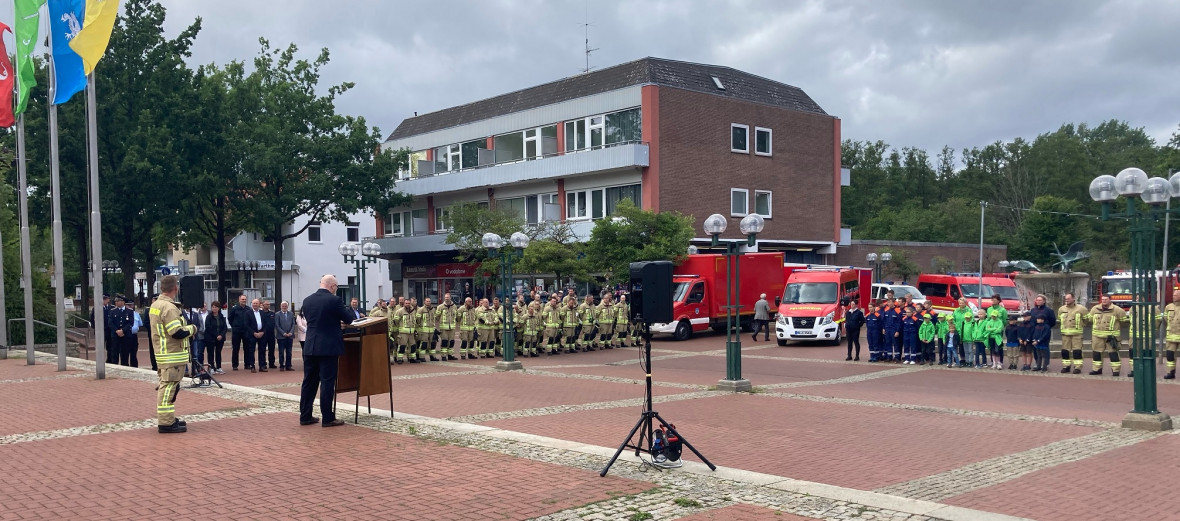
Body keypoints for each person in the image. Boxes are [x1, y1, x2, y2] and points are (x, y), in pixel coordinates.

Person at [298, 275, 353, 428]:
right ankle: (328, 418)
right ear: (333, 286)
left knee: (309, 381)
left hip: (310, 345)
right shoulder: (334, 300)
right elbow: (348, 318)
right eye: (336, 287)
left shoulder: (307, 300)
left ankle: (305, 416)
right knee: (327, 381)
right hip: (328, 347)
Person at [149, 275, 196, 434]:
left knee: (168, 387)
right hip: (172, 356)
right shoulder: (169, 308)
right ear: (175, 288)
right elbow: (176, 332)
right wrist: (192, 329)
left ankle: (168, 418)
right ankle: (166, 423)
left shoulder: (156, 304)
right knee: (168, 389)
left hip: (163, 355)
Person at [1089, 295, 1127, 376]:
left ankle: (1115, 371)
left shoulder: (1117, 310)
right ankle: (1097, 369)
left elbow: (1123, 321)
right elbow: (1090, 319)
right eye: (1102, 299)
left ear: (1110, 300)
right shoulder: (1095, 309)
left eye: (1106, 299)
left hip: (1111, 337)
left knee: (1113, 354)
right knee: (1097, 354)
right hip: (1097, 336)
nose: (1104, 301)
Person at [1057, 293, 1087, 374]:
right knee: (1065, 351)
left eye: (1068, 298)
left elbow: (1086, 319)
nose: (1067, 300)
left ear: (1073, 299)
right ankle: (1066, 366)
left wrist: (1080, 326)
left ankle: (1077, 367)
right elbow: (1060, 319)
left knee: (1077, 351)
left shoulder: (1081, 309)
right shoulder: (1061, 309)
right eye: (1066, 299)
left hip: (1077, 334)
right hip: (1065, 334)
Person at [203, 301, 228, 374]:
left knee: (218, 352)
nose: (214, 308)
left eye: (216, 307)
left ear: (218, 308)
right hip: (210, 338)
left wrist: (221, 335)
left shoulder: (221, 316)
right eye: (213, 307)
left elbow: (224, 327)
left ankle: (219, 367)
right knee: (210, 353)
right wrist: (216, 335)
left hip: (220, 338)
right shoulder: (209, 317)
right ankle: (211, 367)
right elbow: (208, 327)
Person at [228, 295, 250, 370]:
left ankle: (247, 364)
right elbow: (230, 318)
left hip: (246, 331)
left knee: (247, 348)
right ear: (239, 300)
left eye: (245, 299)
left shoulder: (248, 309)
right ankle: (235, 365)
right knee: (235, 348)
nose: (244, 300)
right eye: (242, 299)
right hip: (236, 331)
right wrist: (234, 326)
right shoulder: (234, 309)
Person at [435, 293, 459, 360]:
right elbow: (436, 317)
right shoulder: (440, 307)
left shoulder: (454, 306)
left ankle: (450, 355)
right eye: (445, 297)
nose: (446, 298)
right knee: (444, 342)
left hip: (452, 328)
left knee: (451, 342)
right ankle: (443, 356)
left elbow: (457, 316)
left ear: (450, 298)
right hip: (443, 328)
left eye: (448, 297)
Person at [415, 297, 439, 362]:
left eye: (429, 301)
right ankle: (422, 357)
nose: (428, 302)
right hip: (424, 330)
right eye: (427, 301)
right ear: (424, 302)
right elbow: (417, 320)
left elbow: (435, 319)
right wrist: (420, 328)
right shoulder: (421, 310)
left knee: (433, 344)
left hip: (432, 330)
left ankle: (432, 357)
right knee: (424, 344)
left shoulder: (433, 309)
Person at [275, 301, 296, 371]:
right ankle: (281, 365)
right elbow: (277, 325)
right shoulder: (277, 314)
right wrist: (283, 333)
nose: (284, 307)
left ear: (287, 307)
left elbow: (293, 324)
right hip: (281, 337)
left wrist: (291, 332)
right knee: (281, 352)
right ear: (280, 307)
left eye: (285, 306)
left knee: (289, 352)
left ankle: (288, 365)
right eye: (283, 306)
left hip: (290, 336)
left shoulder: (291, 314)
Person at [261, 300, 277, 370]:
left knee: (272, 349)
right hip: (263, 334)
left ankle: (271, 363)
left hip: (271, 334)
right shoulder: (260, 313)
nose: (267, 305)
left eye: (268, 304)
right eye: (266, 304)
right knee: (262, 349)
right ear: (263, 305)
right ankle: (263, 363)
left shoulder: (272, 314)